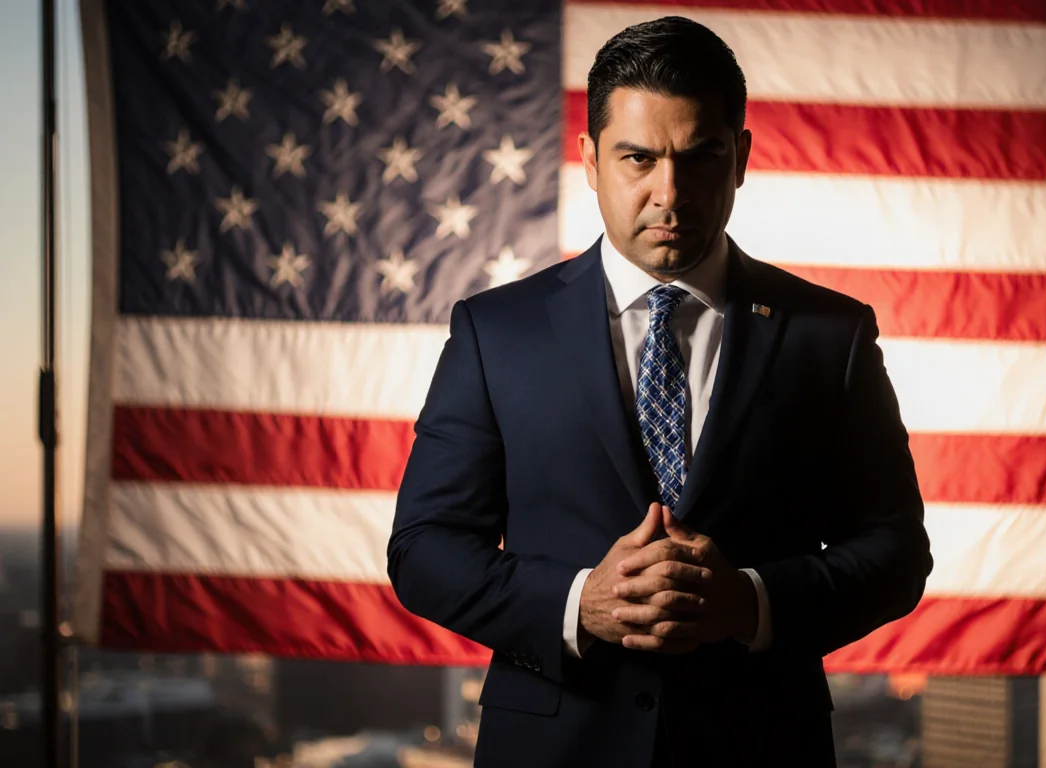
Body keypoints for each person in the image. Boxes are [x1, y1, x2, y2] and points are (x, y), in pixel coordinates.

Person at [388, 16, 932, 768]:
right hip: (554, 746)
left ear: (740, 158)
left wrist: (750, 602)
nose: (669, 194)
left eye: (701, 156)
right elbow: (424, 549)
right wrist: (580, 602)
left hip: (760, 747)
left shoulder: (829, 334)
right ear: (590, 160)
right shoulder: (496, 332)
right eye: (638, 158)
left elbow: (897, 551)